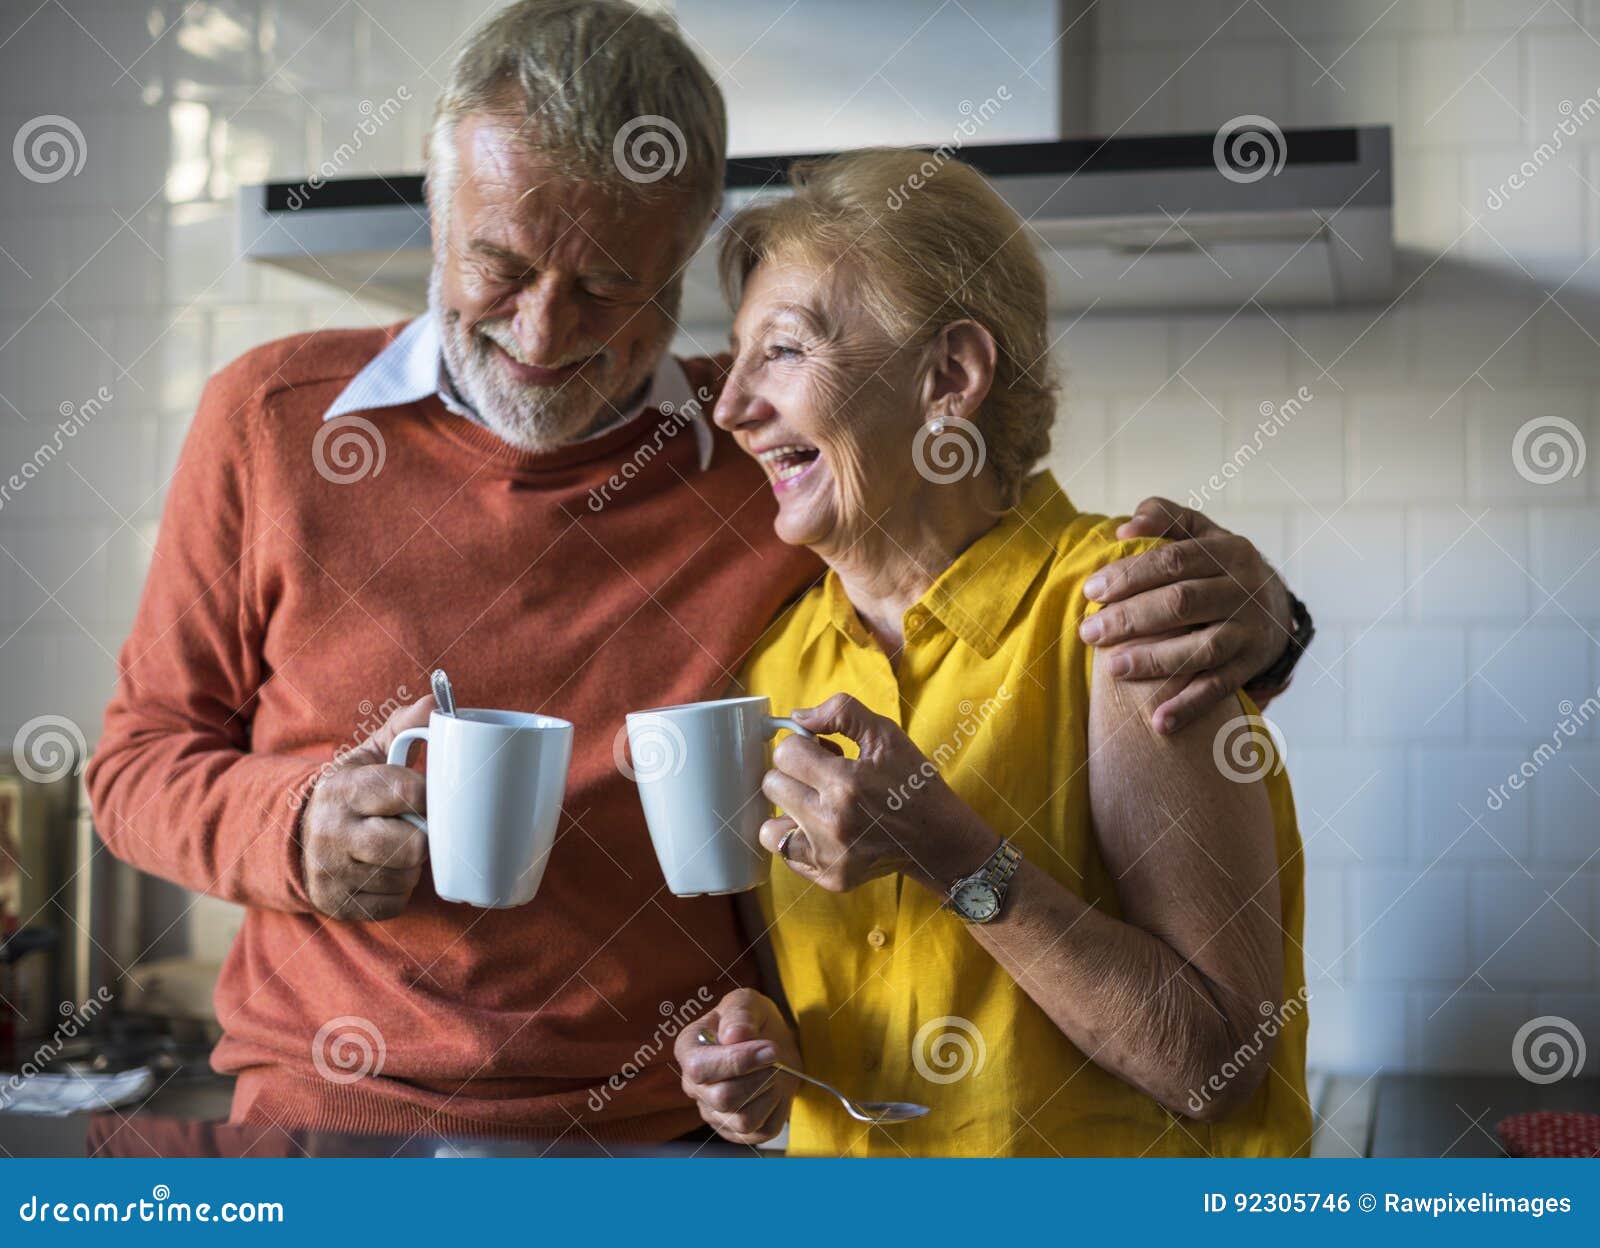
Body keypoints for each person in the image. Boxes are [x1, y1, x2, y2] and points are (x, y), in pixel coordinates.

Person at [88, 0, 1309, 1142]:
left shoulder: (761, 464)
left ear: (679, 268)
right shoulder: (272, 418)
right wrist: (293, 826)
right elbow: (136, 763)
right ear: (439, 205)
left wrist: (1268, 619)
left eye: (612, 286)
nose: (546, 332)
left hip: (660, 1143)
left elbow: (974, 523)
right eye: (503, 267)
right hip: (332, 1117)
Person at [675, 149, 1311, 1157]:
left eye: (784, 352)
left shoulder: (1120, 610)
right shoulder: (771, 667)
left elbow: (1214, 1064)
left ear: (949, 377)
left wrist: (951, 853)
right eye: (737, 356)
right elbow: (812, 1011)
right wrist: (751, 1059)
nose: (731, 407)